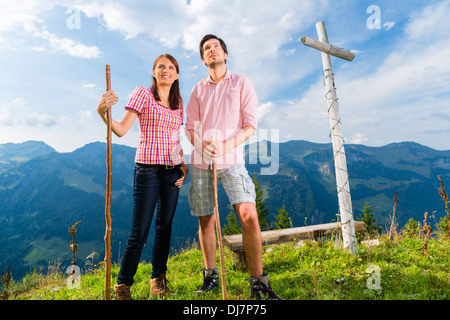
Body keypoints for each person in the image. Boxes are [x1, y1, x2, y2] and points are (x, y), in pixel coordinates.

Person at [185, 34, 282, 300]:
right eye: (206, 49)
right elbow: (189, 128)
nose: (212, 50)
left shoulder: (241, 83)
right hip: (202, 161)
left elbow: (250, 125)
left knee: (249, 215)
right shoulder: (198, 89)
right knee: (206, 219)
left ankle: (259, 282)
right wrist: (202, 145)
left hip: (232, 160)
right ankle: (210, 277)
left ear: (225, 54)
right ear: (203, 59)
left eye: (216, 46)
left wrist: (225, 147)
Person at [97, 54, 188, 300]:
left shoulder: (179, 104)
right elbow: (121, 130)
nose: (166, 70)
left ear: (177, 75)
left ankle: (158, 281)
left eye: (171, 67)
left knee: (165, 228)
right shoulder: (143, 94)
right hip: (147, 170)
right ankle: (122, 286)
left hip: (172, 171)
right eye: (161, 67)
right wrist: (102, 111)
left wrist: (183, 164)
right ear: (153, 72)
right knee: (140, 232)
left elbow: (174, 139)